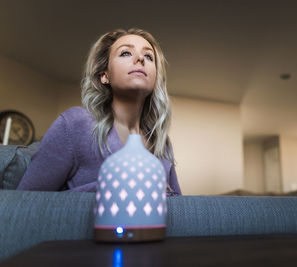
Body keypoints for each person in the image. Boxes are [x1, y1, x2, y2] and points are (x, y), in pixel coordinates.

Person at [17, 28, 182, 196]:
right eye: (125, 53)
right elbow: (24, 203)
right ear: (105, 76)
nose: (140, 58)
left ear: (155, 78)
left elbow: (180, 209)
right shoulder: (75, 124)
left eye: (148, 56)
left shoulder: (162, 142)